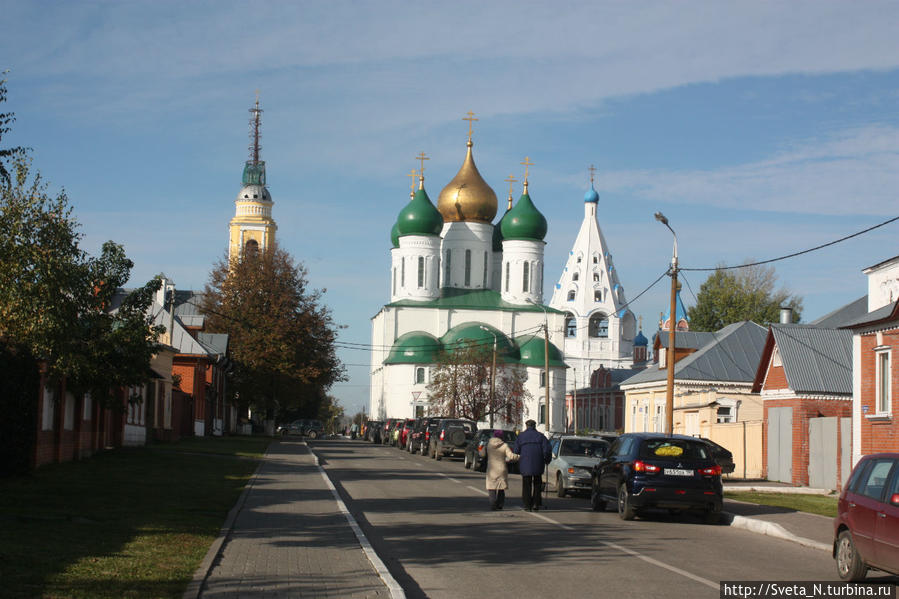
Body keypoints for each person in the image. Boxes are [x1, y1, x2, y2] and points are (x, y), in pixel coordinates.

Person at [512, 419, 552, 511]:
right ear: (534, 426)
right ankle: (536, 503)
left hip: (525, 463)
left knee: (526, 484)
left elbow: (516, 450)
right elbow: (547, 449)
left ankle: (527, 504)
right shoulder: (541, 436)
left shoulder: (521, 436)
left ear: (526, 426)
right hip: (538, 463)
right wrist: (547, 460)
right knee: (537, 484)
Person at [485, 430, 519, 510]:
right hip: (501, 469)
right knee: (501, 487)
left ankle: (493, 504)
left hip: (491, 469)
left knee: (492, 487)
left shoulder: (489, 445)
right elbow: (511, 456)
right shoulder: (504, 445)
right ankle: (500, 504)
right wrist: (519, 456)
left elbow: (483, 454)